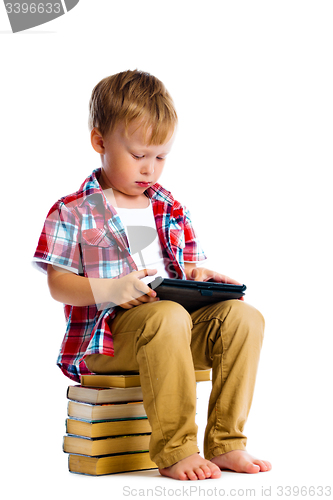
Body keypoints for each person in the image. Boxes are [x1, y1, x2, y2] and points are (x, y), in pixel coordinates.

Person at [33, 69, 271, 480]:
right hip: (108, 342)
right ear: (100, 143)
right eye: (139, 156)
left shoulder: (170, 206)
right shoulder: (73, 210)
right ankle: (176, 449)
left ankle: (227, 442)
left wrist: (204, 278)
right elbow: (57, 285)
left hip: (174, 330)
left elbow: (188, 264)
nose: (150, 169)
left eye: (160, 157)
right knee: (167, 316)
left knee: (244, 316)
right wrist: (112, 287)